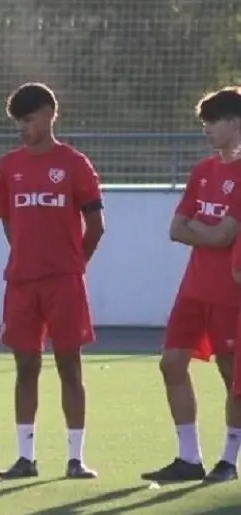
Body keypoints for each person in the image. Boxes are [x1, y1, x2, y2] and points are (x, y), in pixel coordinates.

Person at [0, 83, 105, 480]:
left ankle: (75, 458)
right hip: (22, 282)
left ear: (48, 114)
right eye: (17, 122)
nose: (23, 128)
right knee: (25, 367)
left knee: (69, 367)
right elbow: (8, 220)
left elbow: (96, 225)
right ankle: (25, 458)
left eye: (28, 119)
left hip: (64, 283)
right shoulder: (8, 166)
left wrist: (74, 264)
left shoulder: (74, 164)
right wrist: (28, 255)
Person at [142, 87, 241, 483]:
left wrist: (204, 231)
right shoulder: (202, 171)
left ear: (235, 122)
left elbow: (221, 236)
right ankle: (188, 457)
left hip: (231, 294)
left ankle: (229, 460)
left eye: (213, 122)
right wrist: (211, 231)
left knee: (231, 376)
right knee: (171, 363)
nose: (206, 130)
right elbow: (176, 229)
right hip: (193, 289)